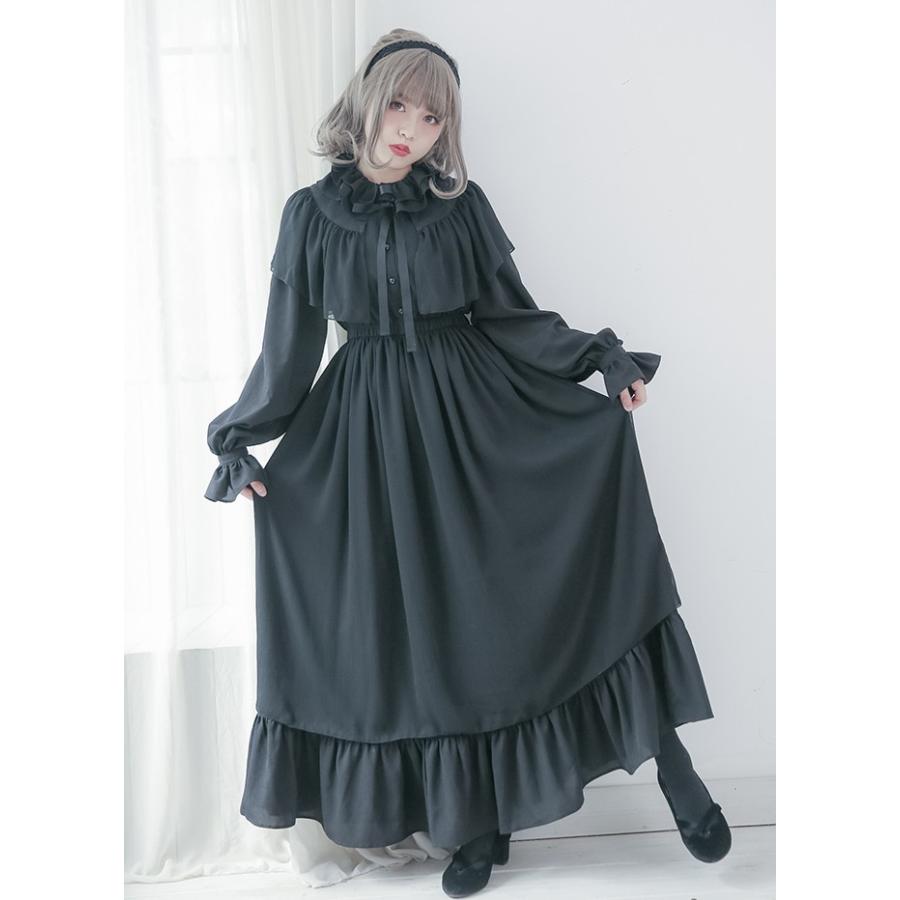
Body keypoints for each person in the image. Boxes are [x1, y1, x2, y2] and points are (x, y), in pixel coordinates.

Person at [204, 27, 731, 899]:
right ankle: (475, 824)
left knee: (511, 609)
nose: (411, 129)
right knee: (430, 634)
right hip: (366, 440)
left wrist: (597, 361)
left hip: (478, 419)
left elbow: (513, 317)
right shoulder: (310, 216)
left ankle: (676, 770)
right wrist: (240, 438)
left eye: (432, 116)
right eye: (400, 105)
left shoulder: (460, 206)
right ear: (368, 101)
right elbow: (287, 354)